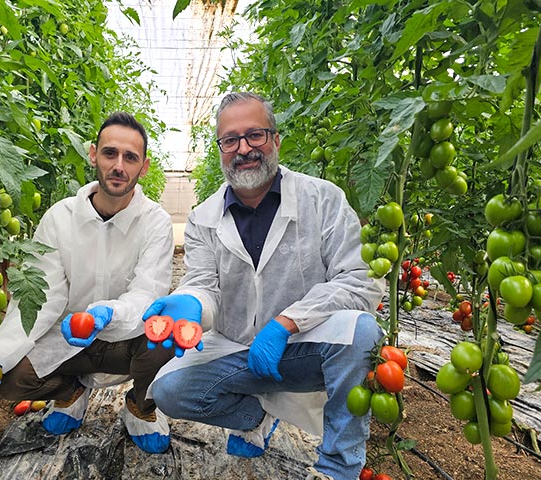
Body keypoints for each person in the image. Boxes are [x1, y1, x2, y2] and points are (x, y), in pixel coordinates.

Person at [142, 92, 385, 479]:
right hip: (237, 348)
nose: (244, 149)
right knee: (170, 392)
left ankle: (338, 467)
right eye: (230, 140)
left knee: (363, 332)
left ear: (275, 140)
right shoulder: (203, 218)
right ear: (220, 149)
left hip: (305, 347)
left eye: (255, 135)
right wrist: (190, 303)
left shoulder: (322, 199)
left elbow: (360, 281)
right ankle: (257, 415)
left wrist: (286, 322)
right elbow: (205, 284)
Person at [0, 112, 176, 454]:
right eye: (110, 153)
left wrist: (109, 314)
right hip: (70, 339)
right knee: (12, 378)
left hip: (127, 341)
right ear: (93, 154)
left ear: (144, 167)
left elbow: (148, 291)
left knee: (166, 337)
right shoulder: (59, 218)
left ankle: (141, 404)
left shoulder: (155, 223)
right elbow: (43, 296)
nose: (119, 166)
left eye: (130, 157)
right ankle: (69, 393)